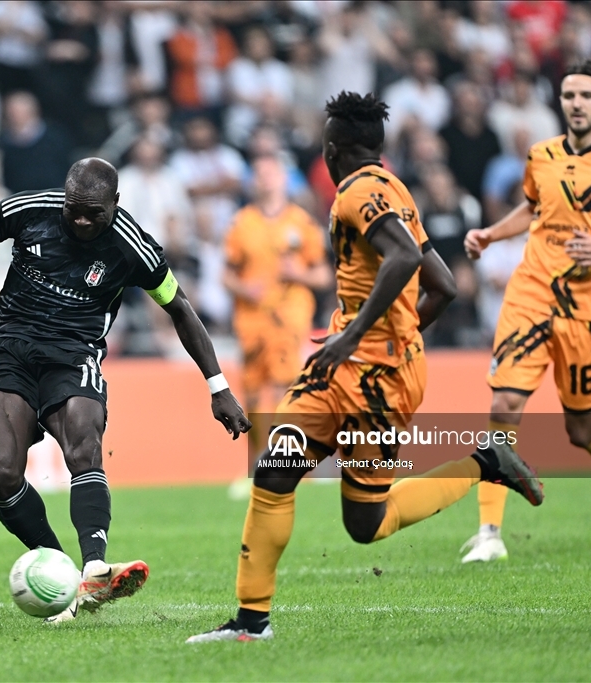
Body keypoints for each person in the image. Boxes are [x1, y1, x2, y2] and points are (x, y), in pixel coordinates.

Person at [187, 92, 544, 643]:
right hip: (344, 370)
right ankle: (251, 623)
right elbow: (444, 286)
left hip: (377, 382)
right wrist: (388, 336)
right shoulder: (395, 189)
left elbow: (405, 256)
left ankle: (484, 463)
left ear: (333, 151)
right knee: (275, 469)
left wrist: (359, 337)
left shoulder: (358, 193)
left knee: (366, 523)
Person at [0, 157, 252, 623]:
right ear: (64, 196)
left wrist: (217, 386)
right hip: (10, 350)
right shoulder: (31, 210)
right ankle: (65, 575)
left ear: (115, 204)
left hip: (73, 354)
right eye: (73, 209)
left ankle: (95, 566)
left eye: (93, 213)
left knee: (83, 443)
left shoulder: (133, 246)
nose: (80, 220)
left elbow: (179, 307)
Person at [461, 59, 591, 563]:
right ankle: (489, 532)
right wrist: (492, 234)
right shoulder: (542, 155)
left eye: (586, 96)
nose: (576, 103)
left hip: (590, 309)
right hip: (531, 293)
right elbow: (532, 208)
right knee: (503, 405)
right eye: (569, 95)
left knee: (580, 431)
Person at [222, 154, 331, 492]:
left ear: (284, 178)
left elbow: (324, 275)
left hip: (289, 316)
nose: (265, 179)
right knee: (253, 393)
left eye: (271, 172)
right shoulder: (242, 223)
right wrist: (244, 288)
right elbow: (226, 274)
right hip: (251, 319)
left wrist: (299, 274)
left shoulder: (302, 222)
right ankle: (257, 465)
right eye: (259, 173)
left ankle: (295, 466)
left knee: (288, 389)